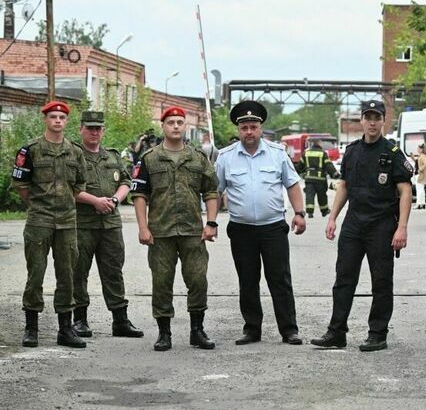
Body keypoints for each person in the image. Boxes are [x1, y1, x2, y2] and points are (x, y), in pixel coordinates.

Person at [311, 100, 413, 352]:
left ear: (383, 121)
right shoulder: (353, 151)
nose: (372, 122)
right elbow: (344, 186)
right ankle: (336, 332)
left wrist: (402, 228)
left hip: (381, 225)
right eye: (367, 117)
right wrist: (333, 217)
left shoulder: (392, 152)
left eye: (376, 117)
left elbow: (405, 191)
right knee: (344, 279)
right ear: (361, 121)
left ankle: (377, 333)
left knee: (381, 281)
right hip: (354, 225)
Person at [11, 101, 108, 349]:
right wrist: (38, 206)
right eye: (53, 116)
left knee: (67, 276)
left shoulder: (74, 152)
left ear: (66, 122)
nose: (57, 121)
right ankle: (31, 327)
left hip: (67, 221)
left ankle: (65, 329)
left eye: (61, 117)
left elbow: (79, 186)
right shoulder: (30, 150)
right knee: (36, 275)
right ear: (45, 119)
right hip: (39, 220)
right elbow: (22, 187)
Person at [216, 101, 307, 346]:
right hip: (241, 229)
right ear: (238, 129)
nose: (249, 131)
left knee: (280, 279)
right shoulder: (225, 158)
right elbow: (214, 192)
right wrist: (210, 222)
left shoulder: (277, 154)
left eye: (253, 126)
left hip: (273, 227)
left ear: (261, 128)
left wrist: (299, 213)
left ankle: (289, 330)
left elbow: (292, 184)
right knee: (247, 280)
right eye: (244, 127)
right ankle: (252, 329)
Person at [131, 106, 219, 351]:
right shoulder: (149, 158)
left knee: (198, 280)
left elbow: (211, 191)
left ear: (185, 126)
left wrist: (211, 223)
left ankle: (197, 330)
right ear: (164, 126)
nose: (176, 126)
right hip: (161, 232)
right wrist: (142, 227)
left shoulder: (198, 158)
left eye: (180, 122)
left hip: (193, 231)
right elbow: (139, 195)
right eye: (171, 122)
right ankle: (164, 333)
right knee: (161, 283)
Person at [72, 111, 143, 339]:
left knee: (114, 271)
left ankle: (120, 320)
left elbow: (126, 181)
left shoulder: (111, 156)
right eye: (90, 128)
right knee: (78, 272)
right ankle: (80, 320)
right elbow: (67, 187)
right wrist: (95, 201)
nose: (94, 132)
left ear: (103, 131)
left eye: (98, 128)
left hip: (110, 225)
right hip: (82, 224)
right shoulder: (73, 155)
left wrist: (114, 200)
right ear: (81, 129)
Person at [296, 139, 339, 218]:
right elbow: (328, 165)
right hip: (320, 179)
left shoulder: (306, 153)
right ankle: (324, 211)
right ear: (319, 144)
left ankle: (310, 213)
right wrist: (335, 174)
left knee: (309, 195)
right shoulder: (322, 153)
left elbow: (300, 165)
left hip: (309, 178)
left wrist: (295, 172)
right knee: (322, 195)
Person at [413, 143, 426, 209]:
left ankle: (419, 204)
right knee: (421, 189)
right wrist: (413, 158)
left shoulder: (422, 156)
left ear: (421, 149)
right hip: (420, 174)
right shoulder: (421, 156)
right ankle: (422, 204)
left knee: (419, 189)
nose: (417, 150)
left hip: (420, 175)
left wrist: (420, 169)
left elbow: (425, 164)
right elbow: (417, 163)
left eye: (418, 149)